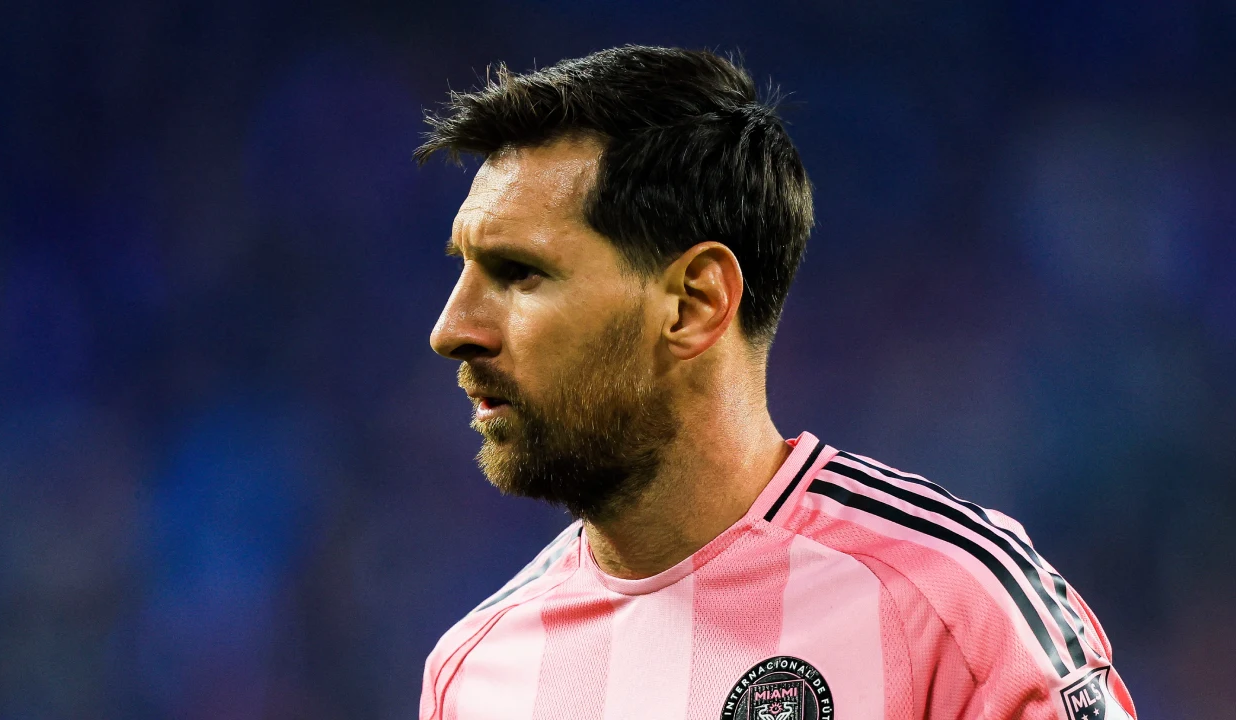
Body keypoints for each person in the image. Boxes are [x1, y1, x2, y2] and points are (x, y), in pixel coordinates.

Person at [414, 45, 1135, 720]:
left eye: (519, 273)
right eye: (462, 269)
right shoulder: (475, 670)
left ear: (695, 303)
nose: (452, 329)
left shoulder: (954, 605)